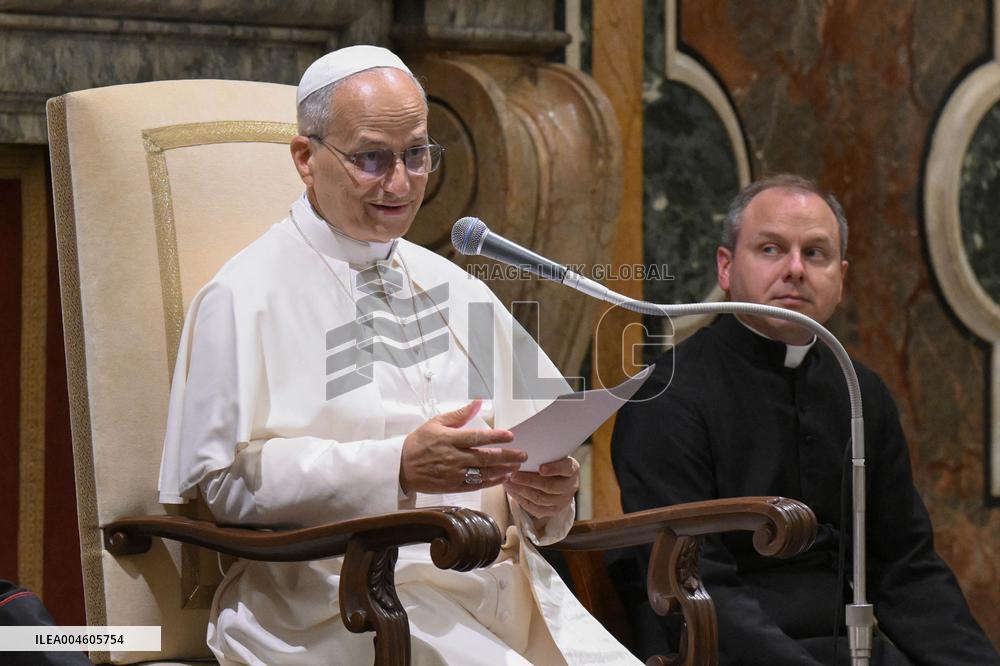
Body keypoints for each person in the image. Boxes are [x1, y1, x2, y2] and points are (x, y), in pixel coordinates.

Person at [156, 45, 639, 665]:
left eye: (417, 154)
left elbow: (533, 448)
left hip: (499, 592)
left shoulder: (457, 287)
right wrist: (398, 466)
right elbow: (223, 484)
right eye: (372, 159)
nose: (402, 182)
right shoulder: (241, 296)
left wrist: (545, 496)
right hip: (338, 601)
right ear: (306, 158)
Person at [611, 175, 1000, 665]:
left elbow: (905, 567)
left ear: (841, 276)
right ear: (726, 267)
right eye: (771, 249)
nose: (795, 269)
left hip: (851, 647)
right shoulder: (666, 393)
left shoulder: (860, 392)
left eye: (815, 254)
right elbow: (695, 583)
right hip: (720, 649)